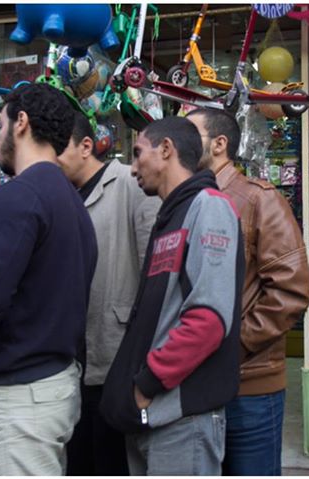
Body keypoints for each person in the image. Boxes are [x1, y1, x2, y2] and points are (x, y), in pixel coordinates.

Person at [0, 83, 98, 476]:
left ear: (21, 122)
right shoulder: (70, 199)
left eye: (0, 126)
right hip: (48, 387)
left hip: (19, 398)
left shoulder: (19, 196)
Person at [100, 116, 245, 476]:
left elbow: (208, 321)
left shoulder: (209, 206)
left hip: (181, 418)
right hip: (153, 418)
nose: (133, 168)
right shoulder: (171, 214)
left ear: (166, 149)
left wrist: (147, 385)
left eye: (138, 153)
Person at [186, 108, 309, 475]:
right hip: (195, 382)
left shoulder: (258, 199)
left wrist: (233, 346)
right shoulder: (185, 200)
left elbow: (290, 290)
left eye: (191, 134)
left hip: (250, 386)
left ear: (219, 144)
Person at [57, 112, 160, 475]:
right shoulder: (59, 195)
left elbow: (154, 272)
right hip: (69, 358)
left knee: (111, 459)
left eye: (57, 149)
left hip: (116, 352)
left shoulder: (130, 185)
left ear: (86, 146)